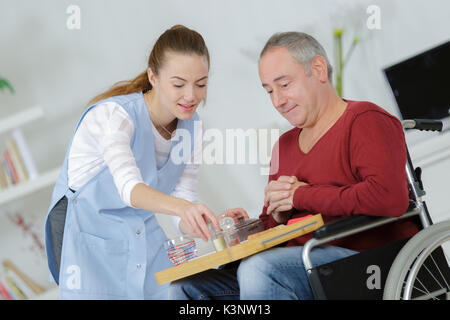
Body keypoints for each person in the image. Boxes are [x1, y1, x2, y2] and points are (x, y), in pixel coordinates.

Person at [169, 31, 420, 300]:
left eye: (284, 84)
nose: (278, 101)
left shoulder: (364, 120)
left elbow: (388, 199)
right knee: (184, 288)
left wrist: (301, 194)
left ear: (318, 69)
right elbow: (276, 223)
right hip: (301, 265)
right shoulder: (284, 145)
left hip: (369, 263)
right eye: (269, 91)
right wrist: (251, 227)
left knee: (259, 269)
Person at [44, 25, 246, 300]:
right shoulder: (114, 116)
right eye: (178, 84)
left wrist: (210, 223)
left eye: (201, 84)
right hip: (89, 239)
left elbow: (181, 207)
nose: (191, 96)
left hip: (141, 237)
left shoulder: (193, 129)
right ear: (153, 76)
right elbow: (131, 190)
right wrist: (185, 208)